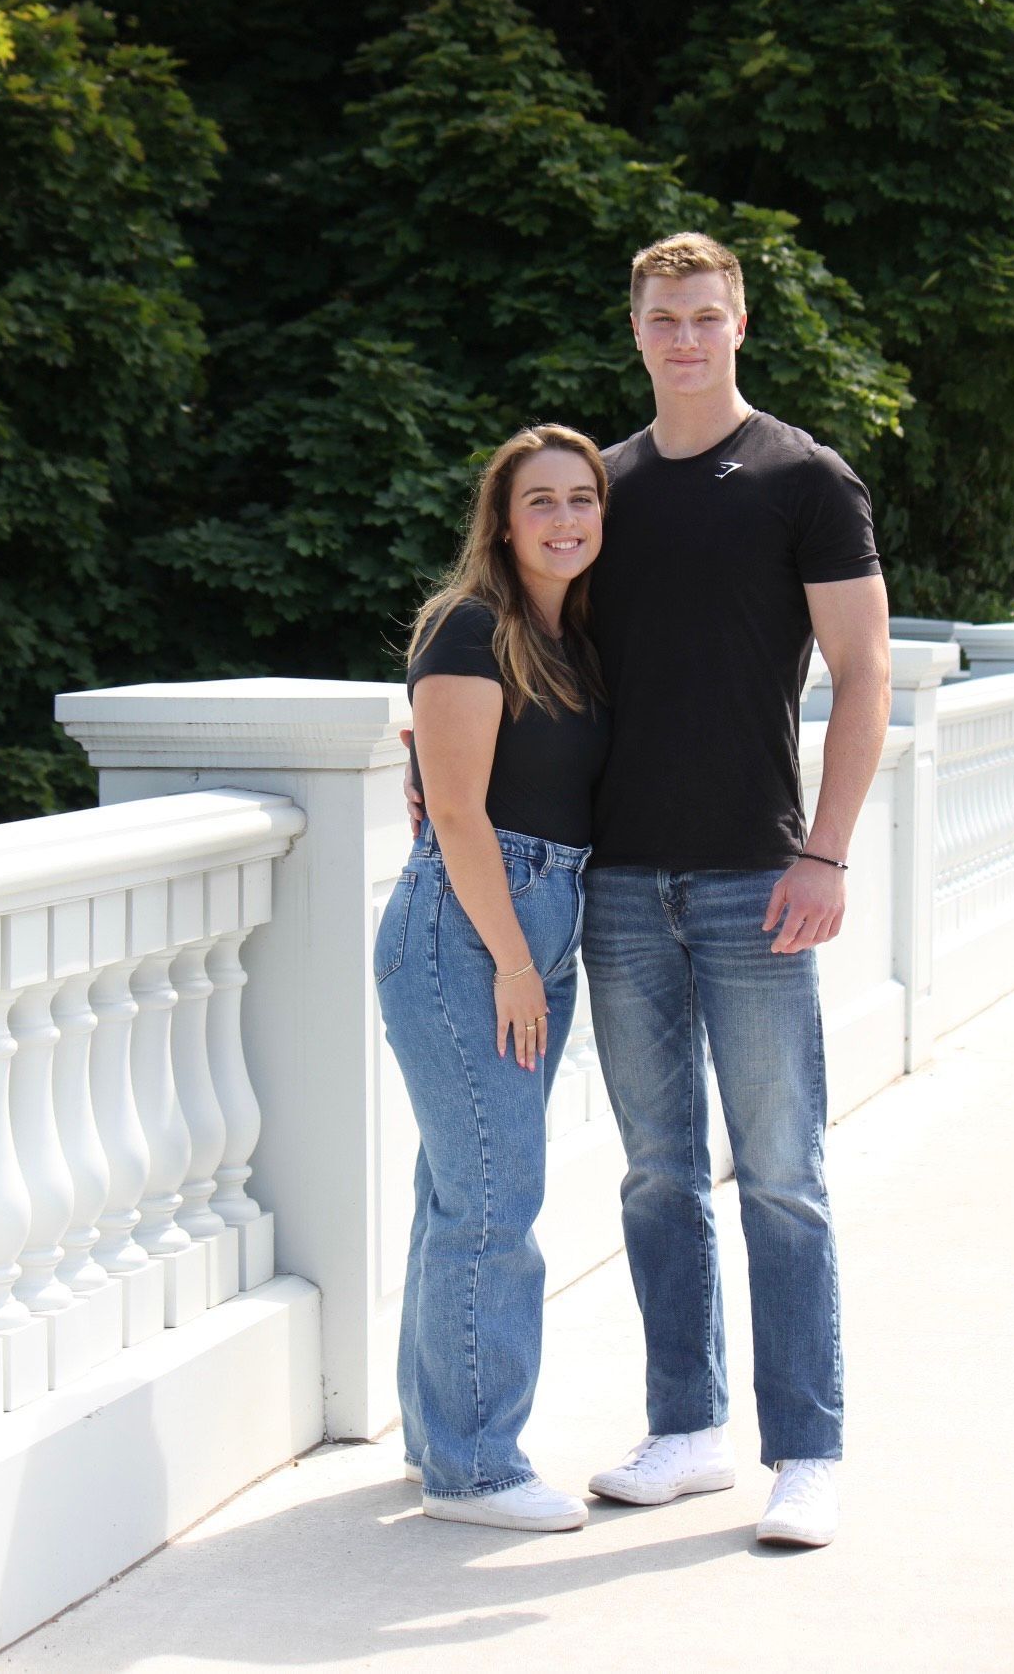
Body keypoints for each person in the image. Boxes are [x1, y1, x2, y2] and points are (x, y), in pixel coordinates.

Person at [579, 232, 891, 1548]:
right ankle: (686, 1430)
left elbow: (864, 672)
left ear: (740, 323)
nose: (686, 337)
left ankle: (806, 1451)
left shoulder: (803, 477)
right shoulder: (598, 486)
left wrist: (824, 851)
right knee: (656, 1174)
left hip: (756, 879)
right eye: (664, 317)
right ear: (635, 329)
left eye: (706, 315)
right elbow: (529, 647)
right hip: (616, 881)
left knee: (780, 1173)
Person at [374, 423, 610, 1533]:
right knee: (495, 1198)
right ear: (503, 522)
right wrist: (517, 962)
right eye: (540, 501)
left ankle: (437, 1438)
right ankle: (476, 1469)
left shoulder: (574, 638)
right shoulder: (469, 624)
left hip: (536, 917)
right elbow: (460, 814)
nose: (564, 518)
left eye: (582, 498)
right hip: (473, 931)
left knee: (459, 1188)